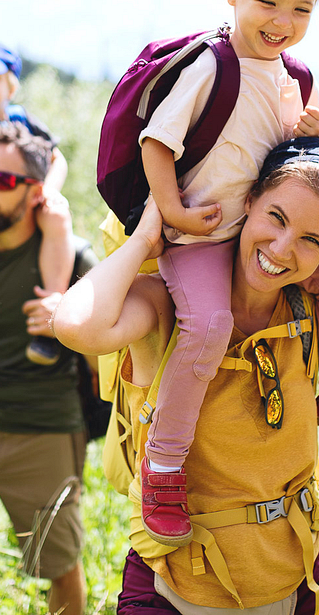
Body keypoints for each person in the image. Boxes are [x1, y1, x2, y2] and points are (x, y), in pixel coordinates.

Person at [53, 137, 319, 614]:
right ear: (249, 201)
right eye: (276, 218)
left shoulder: (308, 314)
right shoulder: (168, 305)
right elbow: (78, 327)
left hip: (291, 579)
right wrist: (145, 239)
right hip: (173, 586)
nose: (282, 249)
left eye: (312, 240)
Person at [134, 0, 319, 545]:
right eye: (268, 1)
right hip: (200, 240)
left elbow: (287, 163)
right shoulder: (212, 66)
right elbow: (156, 142)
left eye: (302, 9)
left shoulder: (292, 77)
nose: (283, 22)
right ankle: (163, 466)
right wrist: (174, 214)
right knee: (208, 326)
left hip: (257, 240)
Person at [0, 122, 97, 615]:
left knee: (58, 566)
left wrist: (70, 319)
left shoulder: (74, 257)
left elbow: (109, 360)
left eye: (1, 182)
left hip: (44, 435)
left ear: (35, 193)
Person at [0, 40, 75, 366]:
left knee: (57, 217)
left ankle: (51, 307)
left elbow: (57, 159)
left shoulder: (22, 121)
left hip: (23, 200)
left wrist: (49, 191)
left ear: (10, 85)